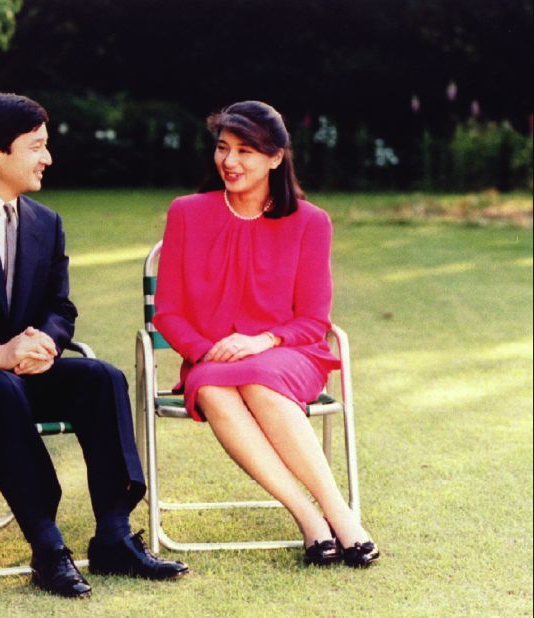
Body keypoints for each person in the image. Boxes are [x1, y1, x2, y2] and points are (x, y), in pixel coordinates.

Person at [0, 92, 188, 598]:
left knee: (102, 378)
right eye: (36, 146)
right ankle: (48, 548)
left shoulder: (46, 223)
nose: (47, 157)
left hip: (20, 376)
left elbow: (60, 307)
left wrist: (46, 340)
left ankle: (114, 536)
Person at [153, 100, 379, 568]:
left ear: (276, 157)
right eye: (222, 149)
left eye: (245, 151)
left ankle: (340, 515)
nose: (229, 162)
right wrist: (205, 351)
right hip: (211, 359)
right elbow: (168, 313)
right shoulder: (187, 213)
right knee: (213, 386)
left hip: (290, 355)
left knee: (258, 380)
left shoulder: (311, 222)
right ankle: (310, 520)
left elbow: (314, 320)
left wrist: (262, 341)